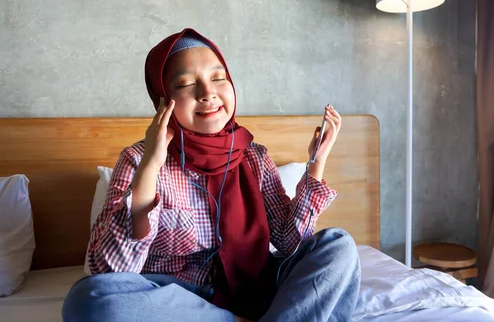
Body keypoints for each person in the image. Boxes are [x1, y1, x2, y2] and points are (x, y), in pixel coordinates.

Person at [62, 28, 360, 322]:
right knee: (88, 300)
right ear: (162, 100)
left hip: (263, 286)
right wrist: (151, 167)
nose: (208, 93)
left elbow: (289, 240)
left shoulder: (255, 156)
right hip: (181, 302)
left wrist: (316, 162)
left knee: (338, 245)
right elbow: (111, 273)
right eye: (186, 84)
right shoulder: (138, 159)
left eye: (218, 78)